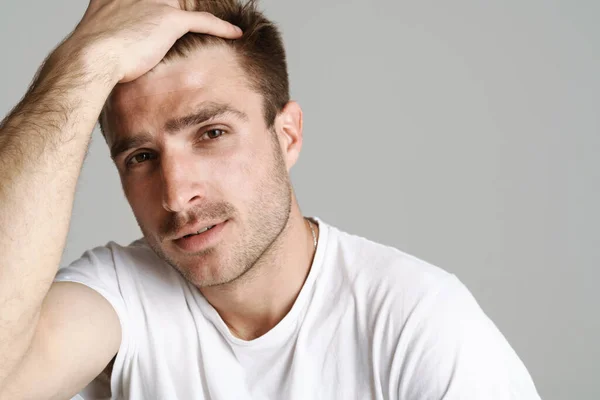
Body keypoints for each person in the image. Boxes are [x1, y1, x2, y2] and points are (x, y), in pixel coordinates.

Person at [0, 0, 541, 399]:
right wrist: (83, 60)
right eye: (140, 157)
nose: (175, 193)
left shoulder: (417, 321)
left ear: (287, 137)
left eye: (211, 133)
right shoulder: (121, 295)